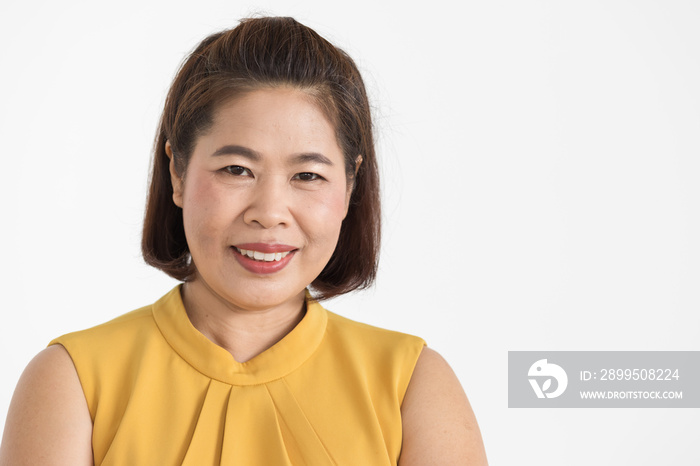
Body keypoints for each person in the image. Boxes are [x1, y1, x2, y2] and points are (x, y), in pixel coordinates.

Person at [0, 16, 487, 465]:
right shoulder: (73, 382)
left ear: (350, 187)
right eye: (237, 169)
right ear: (177, 171)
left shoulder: (413, 386)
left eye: (308, 175)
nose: (270, 213)